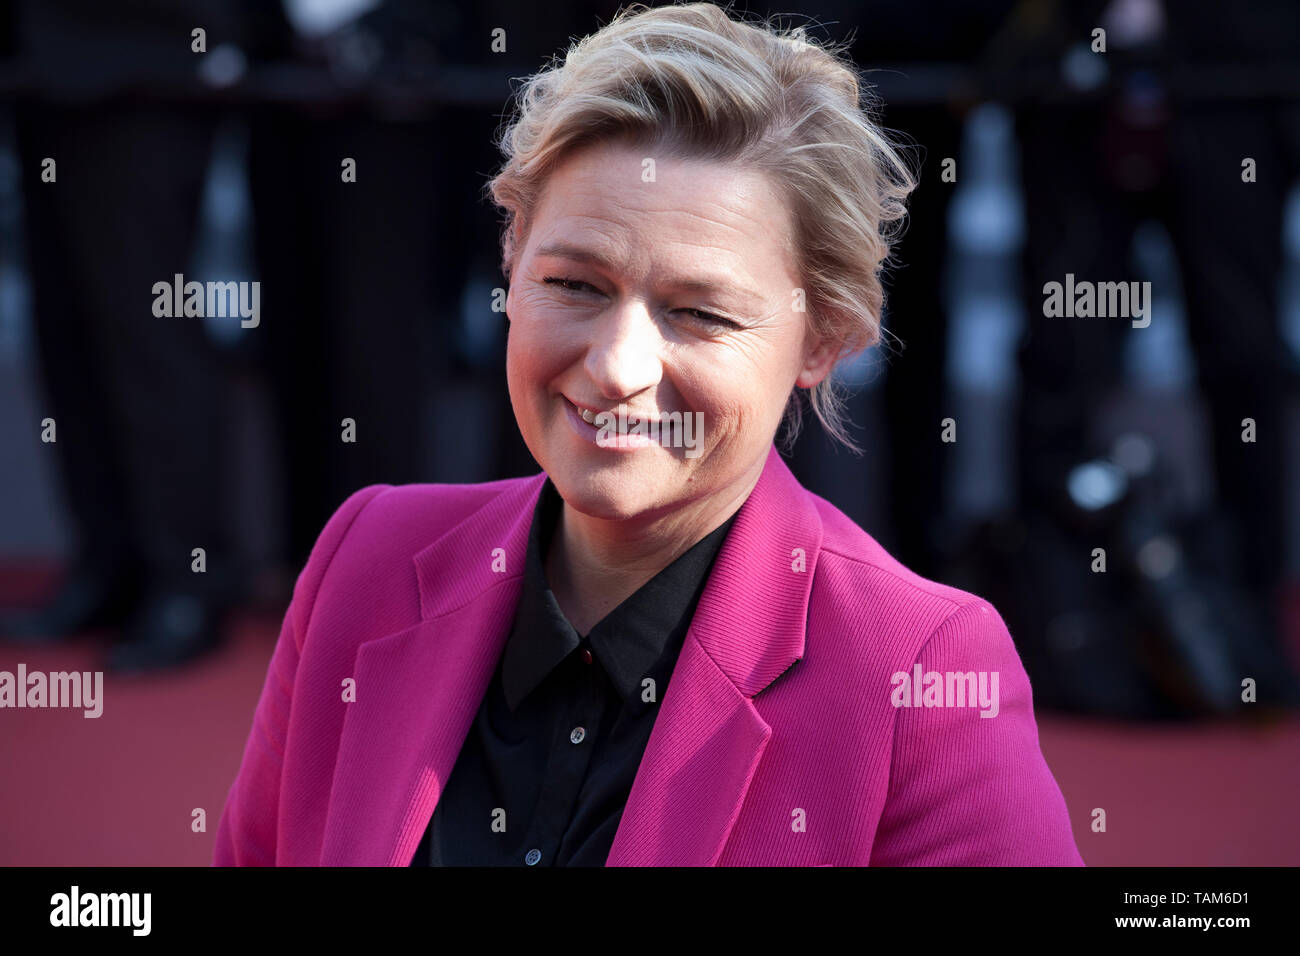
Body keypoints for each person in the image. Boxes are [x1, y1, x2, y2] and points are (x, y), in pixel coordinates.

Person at [214, 2, 1082, 867]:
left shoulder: (920, 675)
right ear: (512, 265)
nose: (617, 366)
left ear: (823, 340)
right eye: (577, 285)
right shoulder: (363, 562)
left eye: (700, 312)